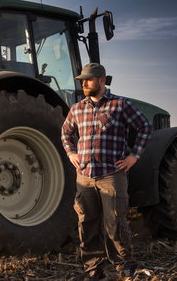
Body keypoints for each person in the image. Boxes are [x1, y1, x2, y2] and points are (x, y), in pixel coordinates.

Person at [61, 63, 152, 280]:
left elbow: (145, 127)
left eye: (88, 79)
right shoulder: (77, 109)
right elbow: (66, 133)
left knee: (116, 222)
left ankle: (124, 266)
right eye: (82, 80)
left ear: (102, 81)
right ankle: (94, 268)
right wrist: (71, 153)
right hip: (85, 176)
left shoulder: (120, 105)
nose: (84, 83)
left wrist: (134, 156)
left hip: (111, 174)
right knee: (87, 222)